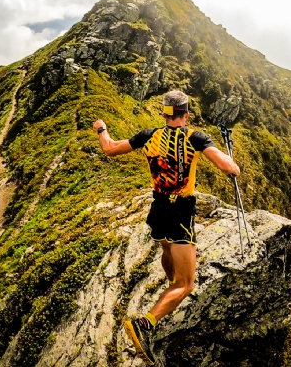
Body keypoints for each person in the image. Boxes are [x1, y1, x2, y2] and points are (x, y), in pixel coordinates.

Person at [92, 90, 240, 365]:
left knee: (165, 245)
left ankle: (170, 281)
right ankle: (146, 324)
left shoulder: (148, 135)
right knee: (186, 285)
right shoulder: (195, 137)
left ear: (165, 113)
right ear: (186, 114)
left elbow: (110, 149)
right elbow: (227, 167)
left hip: (158, 205)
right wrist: (235, 165)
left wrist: (102, 129)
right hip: (180, 210)